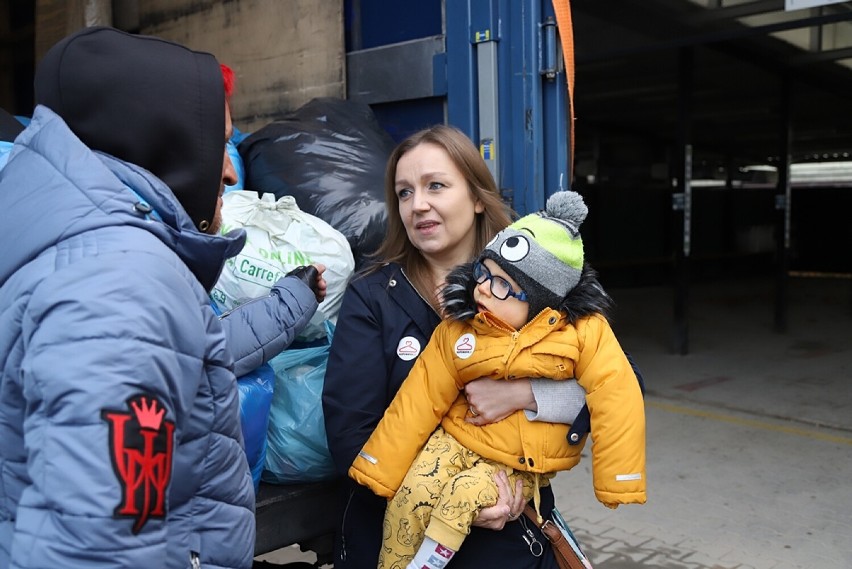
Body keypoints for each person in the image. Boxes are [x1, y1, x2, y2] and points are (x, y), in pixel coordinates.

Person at [0, 27, 321, 569]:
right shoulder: (123, 279)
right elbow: (98, 549)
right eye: (217, 143)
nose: (228, 168)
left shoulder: (79, 250)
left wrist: (289, 300)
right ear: (164, 140)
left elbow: (198, 346)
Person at [323, 125, 593, 569]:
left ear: (477, 196)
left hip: (508, 524)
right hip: (397, 529)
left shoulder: (538, 278)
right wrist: (448, 499)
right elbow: (350, 433)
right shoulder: (373, 296)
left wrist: (527, 396)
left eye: (436, 186)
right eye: (404, 193)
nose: (418, 204)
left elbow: (617, 386)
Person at [349, 190, 647, 569]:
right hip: (456, 439)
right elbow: (419, 396)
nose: (485, 289)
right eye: (484, 274)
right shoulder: (462, 328)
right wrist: (379, 465)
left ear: (543, 303)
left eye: (504, 285)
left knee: (463, 495)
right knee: (413, 490)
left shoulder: (582, 333)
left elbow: (617, 391)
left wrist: (619, 476)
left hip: (518, 461)